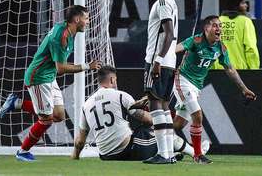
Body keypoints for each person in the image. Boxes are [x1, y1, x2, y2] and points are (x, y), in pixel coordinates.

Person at [0, 5, 101, 161]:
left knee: (58, 115)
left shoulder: (67, 30)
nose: (88, 21)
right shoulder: (62, 37)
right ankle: (23, 151)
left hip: (49, 76)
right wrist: (87, 66)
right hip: (38, 78)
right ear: (77, 19)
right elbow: (61, 69)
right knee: (46, 120)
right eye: (86, 18)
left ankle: (16, 103)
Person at [173, 15, 257, 164]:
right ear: (206, 29)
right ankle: (198, 155)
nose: (219, 29)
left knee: (178, 124)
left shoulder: (221, 48)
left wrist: (244, 89)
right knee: (197, 115)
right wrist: (161, 60)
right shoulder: (196, 40)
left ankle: (156, 133)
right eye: (215, 26)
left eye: (220, 26)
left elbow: (230, 69)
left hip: (196, 87)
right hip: (183, 80)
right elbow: (176, 49)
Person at [71, 66, 201, 161]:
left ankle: (171, 153)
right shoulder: (120, 96)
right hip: (128, 150)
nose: (116, 83)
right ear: (111, 80)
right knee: (163, 131)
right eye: (115, 80)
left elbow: (80, 141)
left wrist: (75, 157)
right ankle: (196, 153)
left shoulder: (86, 105)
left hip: (105, 156)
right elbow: (149, 120)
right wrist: (164, 120)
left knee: (147, 133)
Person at [143, 0, 178, 164]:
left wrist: (156, 60)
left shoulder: (163, 2)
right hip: (169, 61)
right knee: (164, 106)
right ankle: (169, 154)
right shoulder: (170, 1)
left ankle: (163, 154)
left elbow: (169, 34)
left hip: (159, 61)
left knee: (155, 103)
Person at [212, 0, 260, 69]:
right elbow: (251, 48)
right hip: (240, 71)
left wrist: (211, 69)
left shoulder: (217, 21)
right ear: (235, 5)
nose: (246, 5)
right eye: (243, 3)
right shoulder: (245, 22)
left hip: (219, 69)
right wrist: (254, 69)